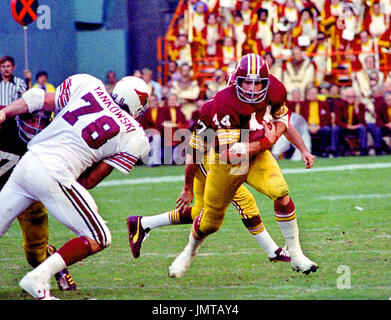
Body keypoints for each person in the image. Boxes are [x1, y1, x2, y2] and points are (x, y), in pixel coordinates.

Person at [158, 53, 318, 278]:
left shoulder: (274, 89)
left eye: (257, 83)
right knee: (210, 223)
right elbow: (227, 152)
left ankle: (297, 255)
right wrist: (186, 186)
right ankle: (188, 251)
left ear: (266, 81)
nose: (251, 89)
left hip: (257, 154)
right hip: (226, 162)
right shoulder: (219, 105)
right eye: (245, 82)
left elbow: (283, 120)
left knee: (281, 192)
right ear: (233, 83)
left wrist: (302, 148)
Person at [0, 74, 151, 300]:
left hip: (28, 161)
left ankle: (39, 275)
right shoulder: (135, 134)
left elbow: (38, 99)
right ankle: (39, 277)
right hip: (56, 174)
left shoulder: (89, 84)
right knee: (99, 236)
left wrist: (4, 112)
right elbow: (90, 181)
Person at [332, 87, 368, 156]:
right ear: (345, 97)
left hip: (356, 128)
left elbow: (362, 121)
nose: (351, 98)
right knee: (335, 128)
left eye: (353, 97)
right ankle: (334, 150)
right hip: (344, 128)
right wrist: (349, 126)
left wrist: (357, 109)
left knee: (362, 128)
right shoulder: (340, 105)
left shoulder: (361, 106)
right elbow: (337, 121)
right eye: (349, 97)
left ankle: (363, 150)